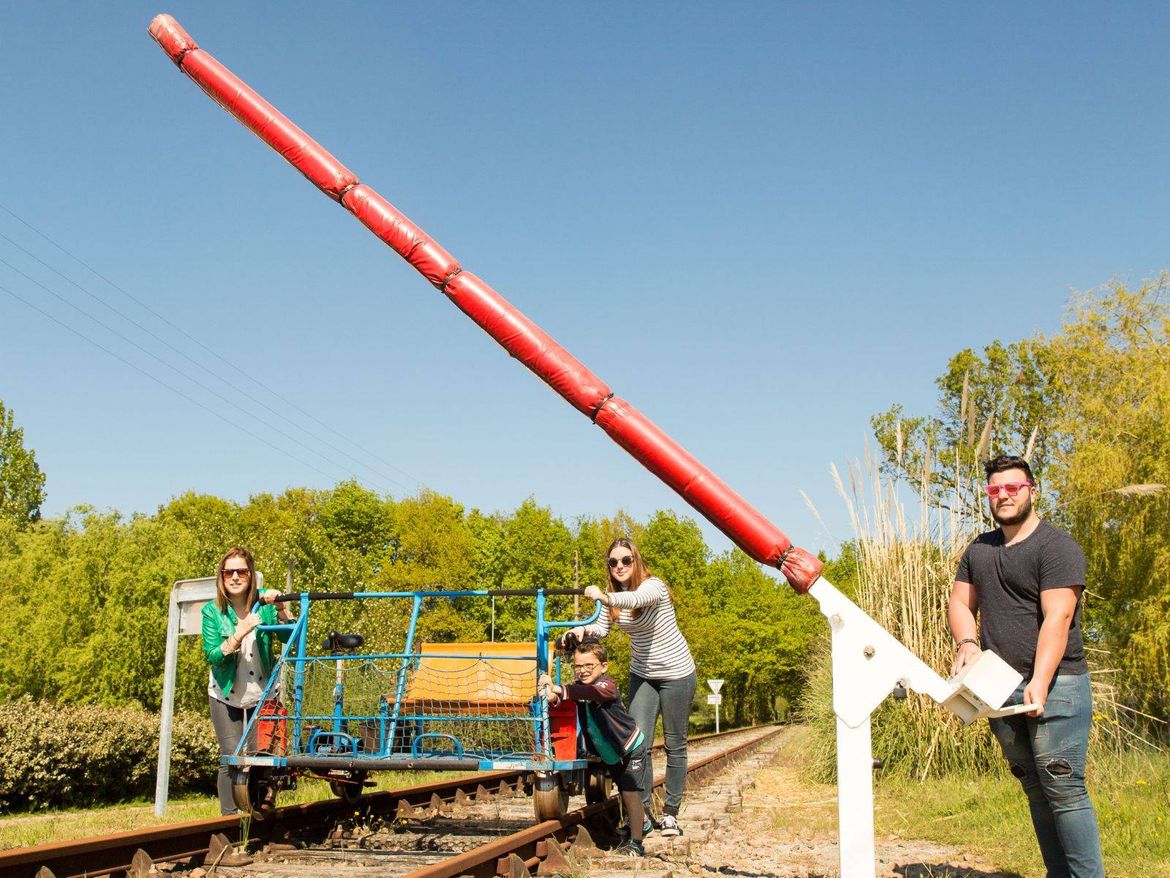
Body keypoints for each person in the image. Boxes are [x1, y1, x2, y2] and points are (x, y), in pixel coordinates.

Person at [949, 455, 1105, 878]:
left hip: (1058, 686)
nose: (1003, 496)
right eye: (995, 490)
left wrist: (1039, 679)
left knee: (1064, 789)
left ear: (1032, 491)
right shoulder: (979, 549)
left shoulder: (1056, 547)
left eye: (1013, 488)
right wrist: (967, 642)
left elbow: (1059, 618)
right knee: (1035, 790)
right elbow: (960, 603)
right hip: (999, 687)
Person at [569, 536, 696, 837]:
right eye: (613, 562)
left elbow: (635, 600)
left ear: (635, 561)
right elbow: (602, 629)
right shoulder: (612, 597)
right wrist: (581, 629)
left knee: (674, 744)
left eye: (625, 560)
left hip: (677, 673)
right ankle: (644, 814)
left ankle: (671, 814)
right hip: (643, 674)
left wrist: (604, 597)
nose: (620, 566)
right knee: (636, 743)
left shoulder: (654, 587)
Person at [202, 547, 293, 815]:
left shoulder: (263, 609)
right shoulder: (212, 611)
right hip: (225, 693)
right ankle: (229, 818)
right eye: (228, 572)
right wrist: (239, 633)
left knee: (262, 756)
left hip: (262, 692)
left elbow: (291, 641)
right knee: (231, 755)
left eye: (241, 571)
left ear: (250, 575)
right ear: (221, 577)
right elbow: (213, 655)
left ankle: (260, 813)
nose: (234, 577)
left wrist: (280, 609)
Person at [539, 639, 647, 857]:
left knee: (629, 791)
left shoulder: (607, 686)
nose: (583, 671)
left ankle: (637, 843)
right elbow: (565, 699)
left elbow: (591, 694)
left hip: (630, 745)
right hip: (610, 751)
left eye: (589, 666)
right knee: (621, 786)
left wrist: (561, 688)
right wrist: (550, 692)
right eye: (578, 666)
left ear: (603, 667)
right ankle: (643, 823)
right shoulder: (578, 688)